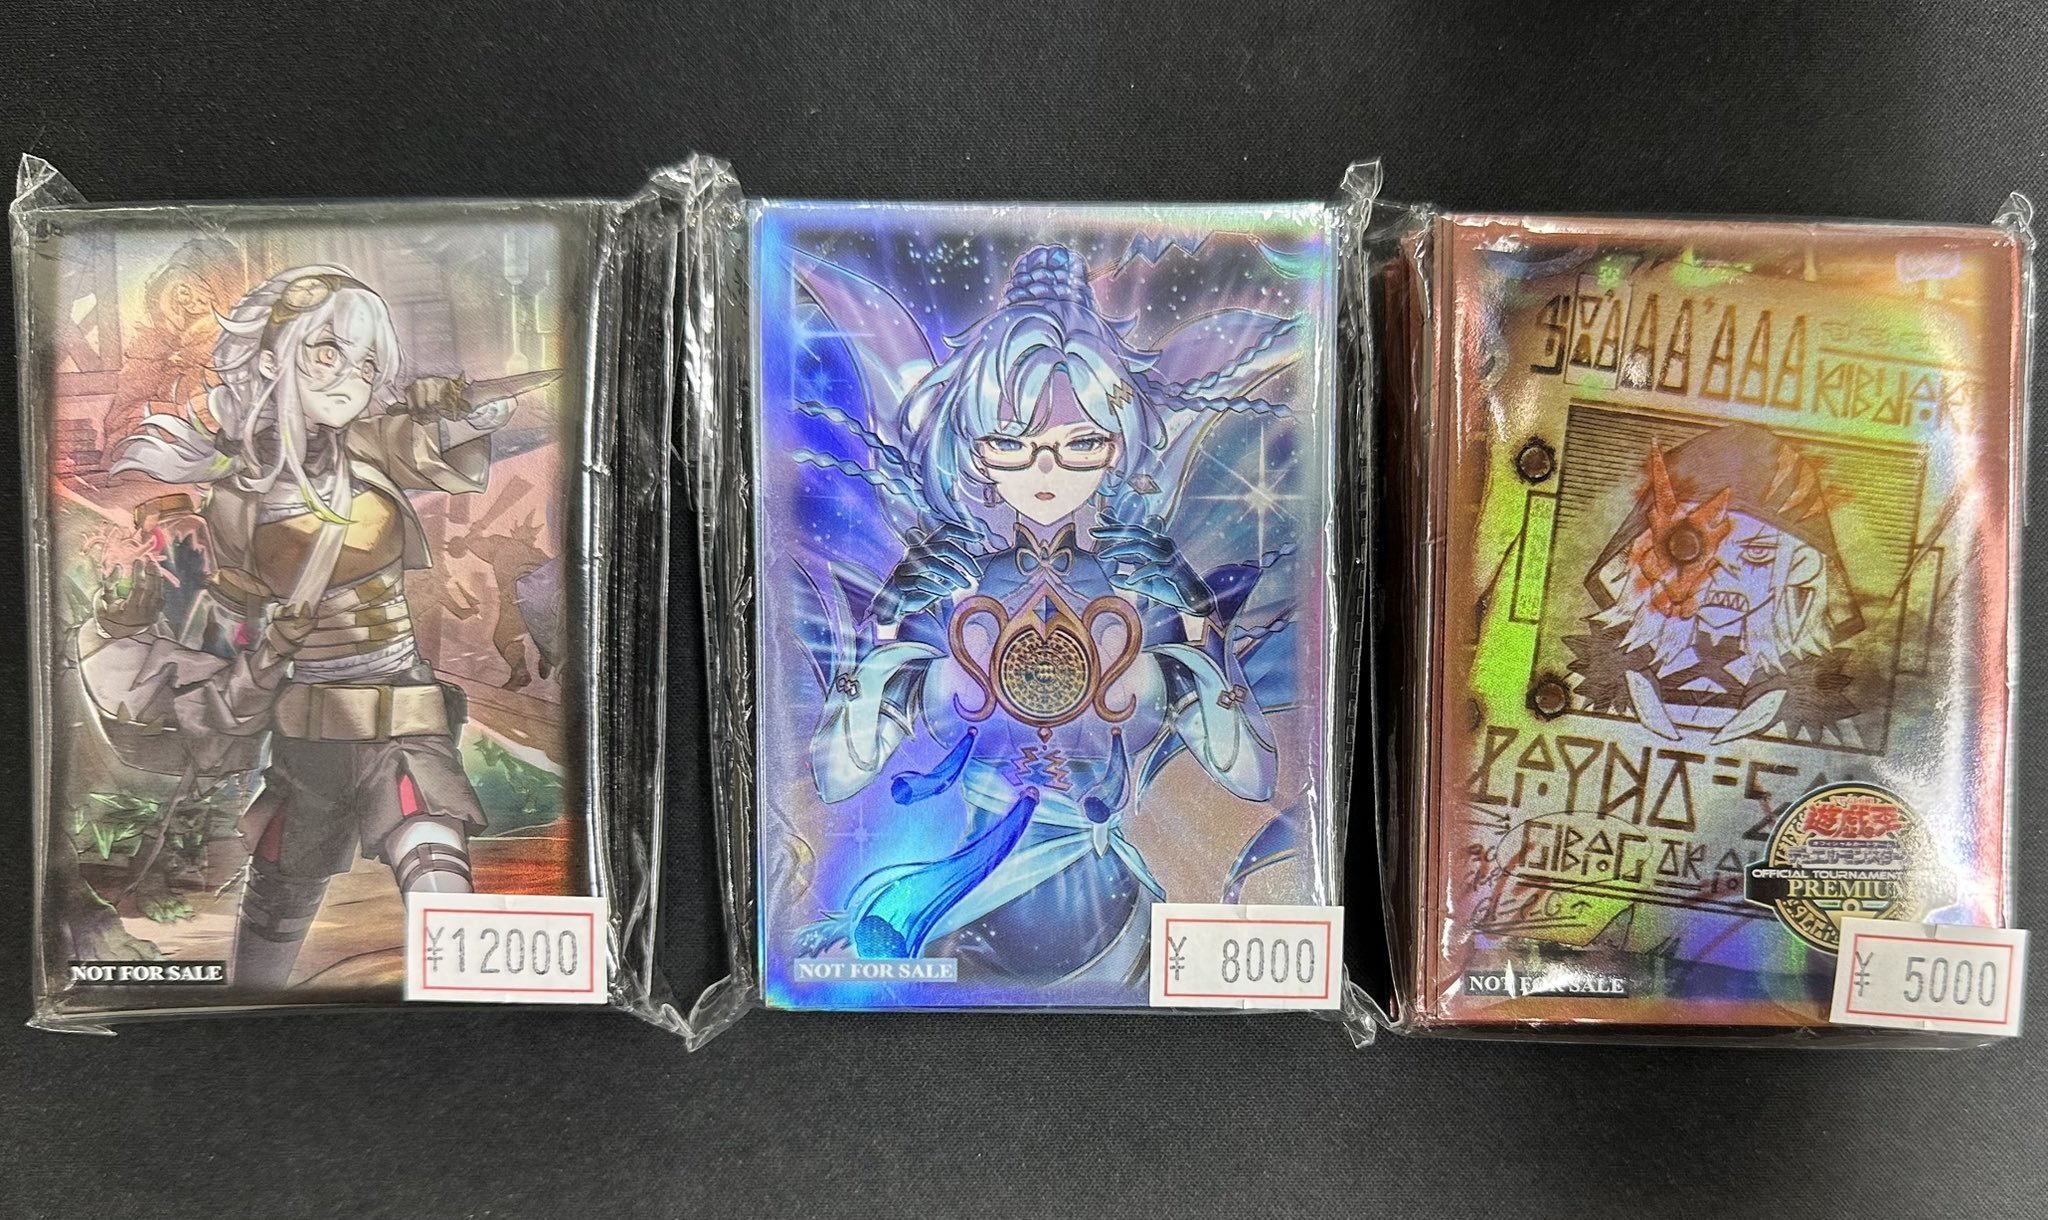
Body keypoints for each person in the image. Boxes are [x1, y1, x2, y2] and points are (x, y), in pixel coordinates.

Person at [795, 246, 1284, 988]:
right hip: (967, 923)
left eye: (1080, 444)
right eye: (1012, 445)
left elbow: (1249, 774)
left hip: (1119, 930)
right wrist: (883, 627)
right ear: (976, 452)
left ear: (1117, 447)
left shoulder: (1145, 596)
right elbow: (838, 776)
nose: (1046, 471)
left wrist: (1198, 620)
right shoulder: (949, 593)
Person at [81, 266, 519, 989]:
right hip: (308, 740)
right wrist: (138, 624)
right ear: (269, 358)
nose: (352, 376)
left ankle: (487, 1024)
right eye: (328, 351)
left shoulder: (369, 444)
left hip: (403, 720)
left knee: (438, 870)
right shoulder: (233, 499)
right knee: (272, 927)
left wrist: (461, 408)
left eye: (368, 362)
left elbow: (466, 435)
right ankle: (242, 1033)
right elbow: (222, 635)